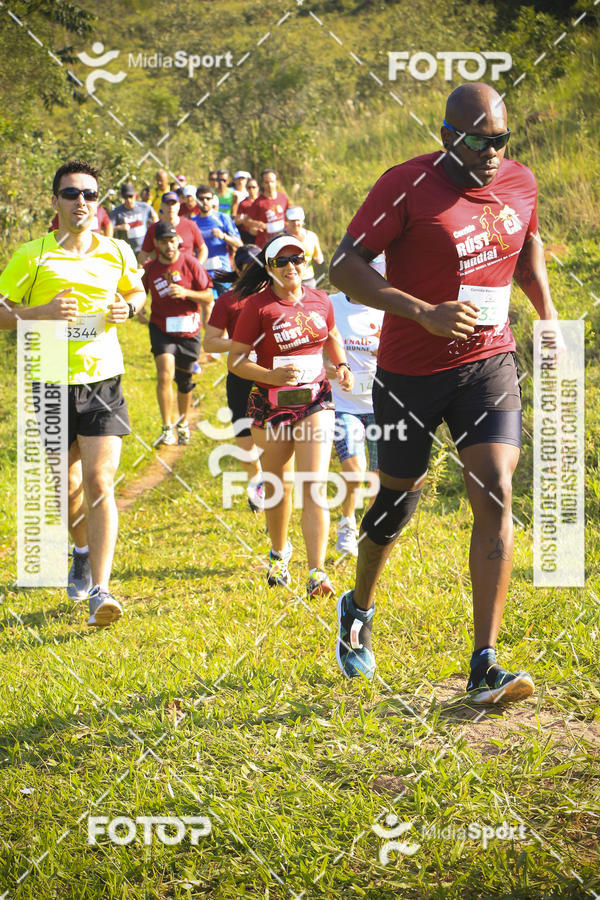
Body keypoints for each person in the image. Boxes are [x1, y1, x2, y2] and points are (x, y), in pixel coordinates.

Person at [329, 83, 557, 704]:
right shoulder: (403, 184)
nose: (492, 152)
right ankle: (359, 605)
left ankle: (484, 662)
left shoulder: (519, 181)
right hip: (409, 372)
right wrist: (423, 311)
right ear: (447, 136)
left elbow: (527, 248)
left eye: (501, 139)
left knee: (497, 490)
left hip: (489, 363)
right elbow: (343, 267)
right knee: (396, 504)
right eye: (479, 140)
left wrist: (548, 316)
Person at [0, 159, 146, 627]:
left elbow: (138, 292)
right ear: (55, 200)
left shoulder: (117, 251)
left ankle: (100, 589)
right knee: (67, 487)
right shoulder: (33, 255)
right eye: (70, 193)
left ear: (98, 203)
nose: (80, 201)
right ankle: (80, 551)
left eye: (89, 194)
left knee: (102, 482)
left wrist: (129, 306)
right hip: (49, 383)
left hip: (103, 380)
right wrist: (41, 312)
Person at [228, 235, 353, 597]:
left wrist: (340, 363)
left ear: (305, 261)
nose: (290, 267)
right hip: (270, 405)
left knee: (313, 484)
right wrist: (268, 376)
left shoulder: (321, 299)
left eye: (296, 258)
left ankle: (317, 572)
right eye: (281, 262)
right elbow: (235, 360)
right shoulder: (257, 307)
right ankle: (280, 553)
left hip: (316, 401)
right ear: (269, 269)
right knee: (278, 487)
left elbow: (331, 334)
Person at [327, 260, 385, 555]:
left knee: (377, 475)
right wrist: (331, 370)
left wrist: (387, 351)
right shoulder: (331, 305)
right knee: (354, 469)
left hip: (380, 405)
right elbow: (314, 346)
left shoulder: (389, 308)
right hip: (343, 404)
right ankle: (347, 522)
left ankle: (368, 532)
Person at [139, 221, 213, 446]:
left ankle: (182, 423)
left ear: (177, 241)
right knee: (164, 374)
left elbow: (209, 296)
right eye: (164, 241)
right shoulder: (150, 268)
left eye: (172, 240)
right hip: (161, 329)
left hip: (189, 330)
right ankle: (166, 427)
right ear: (156, 244)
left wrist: (186, 292)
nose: (169, 245)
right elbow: (139, 292)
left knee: (184, 380)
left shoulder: (190, 263)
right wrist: (140, 310)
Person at [203, 244, 264, 511]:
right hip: (240, 377)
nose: (254, 271)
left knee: (278, 436)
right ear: (238, 269)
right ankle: (258, 484)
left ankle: (277, 484)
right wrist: (240, 344)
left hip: (274, 377)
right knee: (246, 439)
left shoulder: (277, 296)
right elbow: (210, 343)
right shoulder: (228, 300)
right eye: (247, 266)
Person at [192, 185, 242, 295]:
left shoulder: (222, 218)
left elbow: (239, 244)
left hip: (222, 272)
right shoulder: (192, 222)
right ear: (196, 201)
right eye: (201, 199)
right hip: (202, 272)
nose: (205, 202)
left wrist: (224, 236)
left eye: (208, 198)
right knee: (208, 308)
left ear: (213, 200)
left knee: (225, 307)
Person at [139, 192, 208, 266]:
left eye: (173, 204)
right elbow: (143, 255)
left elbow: (203, 249)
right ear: (161, 206)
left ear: (179, 206)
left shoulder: (190, 225)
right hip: (164, 274)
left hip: (187, 273)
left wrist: (197, 266)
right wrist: (151, 270)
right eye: (167, 204)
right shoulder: (153, 228)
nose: (170, 207)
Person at [109, 182, 157, 256]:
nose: (128, 200)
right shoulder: (117, 212)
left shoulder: (144, 207)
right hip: (127, 251)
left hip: (144, 249)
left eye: (130, 196)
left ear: (135, 195)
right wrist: (120, 227)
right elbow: (108, 228)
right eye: (125, 197)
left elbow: (155, 218)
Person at [246, 169, 289, 248]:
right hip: (264, 243)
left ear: (276, 182)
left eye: (272, 182)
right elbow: (247, 221)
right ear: (262, 184)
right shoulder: (258, 202)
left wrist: (288, 224)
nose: (270, 185)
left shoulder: (283, 198)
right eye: (266, 182)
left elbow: (288, 216)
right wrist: (259, 224)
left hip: (282, 240)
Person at [284, 207, 324, 288]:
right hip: (290, 279)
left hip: (308, 279)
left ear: (302, 221)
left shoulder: (311, 236)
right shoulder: (281, 237)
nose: (295, 223)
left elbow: (318, 256)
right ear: (287, 221)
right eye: (292, 220)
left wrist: (319, 259)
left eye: (298, 220)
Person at [49, 203, 113, 237]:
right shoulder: (67, 211)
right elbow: (53, 231)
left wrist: (107, 242)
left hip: (94, 252)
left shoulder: (99, 210)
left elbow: (108, 224)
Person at [235, 177, 260, 244]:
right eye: (249, 187)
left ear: (258, 188)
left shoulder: (262, 201)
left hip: (261, 233)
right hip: (247, 234)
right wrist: (245, 219)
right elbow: (237, 221)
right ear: (246, 189)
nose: (251, 189)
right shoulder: (243, 203)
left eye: (253, 187)